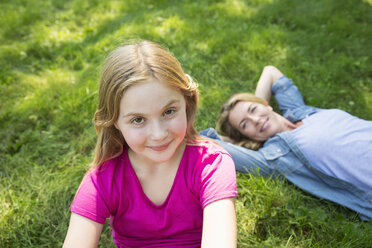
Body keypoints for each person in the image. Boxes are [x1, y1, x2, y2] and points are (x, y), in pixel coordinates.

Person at [63, 41, 238, 248]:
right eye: (138, 119)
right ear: (115, 122)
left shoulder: (211, 165)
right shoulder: (103, 181)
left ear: (187, 103)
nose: (158, 134)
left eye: (168, 111)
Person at [201, 65, 372, 221]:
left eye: (253, 109)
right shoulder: (275, 158)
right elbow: (207, 144)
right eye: (245, 124)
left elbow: (270, 72)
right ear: (246, 136)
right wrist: (241, 140)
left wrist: (260, 108)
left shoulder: (301, 112)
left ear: (266, 105)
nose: (255, 120)